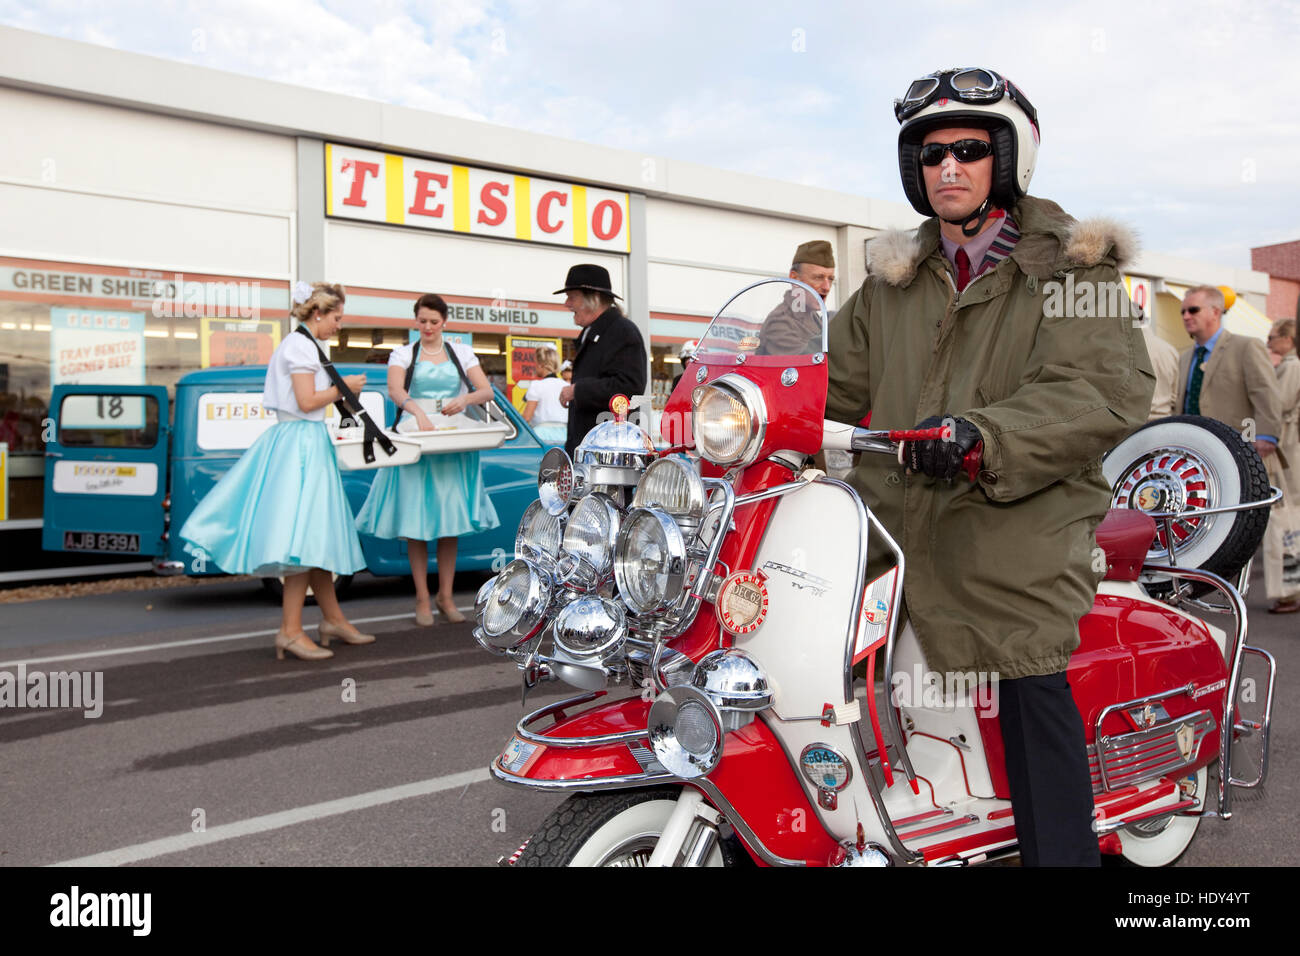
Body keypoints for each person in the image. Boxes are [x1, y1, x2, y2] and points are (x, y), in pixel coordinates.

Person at [826, 67, 1154, 866]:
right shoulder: (890, 285)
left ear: (1007, 160)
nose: (948, 166)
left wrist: (979, 434)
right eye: (931, 152)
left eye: (970, 149)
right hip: (890, 522)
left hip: (1017, 516)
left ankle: (1059, 855)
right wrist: (729, 397)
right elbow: (826, 376)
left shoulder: (1077, 273)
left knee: (1027, 672)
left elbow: (1104, 390)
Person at [179, 282, 373, 661]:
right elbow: (305, 401)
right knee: (301, 537)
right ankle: (290, 630)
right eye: (337, 317)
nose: (339, 325)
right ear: (319, 314)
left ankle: (332, 619)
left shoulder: (304, 344)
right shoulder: (301, 347)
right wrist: (343, 388)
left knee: (313, 533)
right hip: (301, 443)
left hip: (303, 441)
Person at [354, 294, 500, 626]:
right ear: (415, 321)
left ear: (444, 322)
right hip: (416, 435)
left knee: (450, 523)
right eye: (423, 321)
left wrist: (463, 399)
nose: (428, 327)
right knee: (416, 523)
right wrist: (418, 412)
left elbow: (486, 391)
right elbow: (394, 389)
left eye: (434, 322)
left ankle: (445, 596)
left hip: (452, 437)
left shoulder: (461, 352)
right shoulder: (403, 353)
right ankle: (421, 598)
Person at [1174, 286, 1282, 462]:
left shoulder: (1246, 347)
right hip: (1194, 453)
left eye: (1193, 310)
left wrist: (1266, 435)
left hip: (1238, 450)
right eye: (1183, 311)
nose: (1186, 316)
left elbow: (1266, 392)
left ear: (1215, 312)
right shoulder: (1184, 358)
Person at [554, 264, 648, 457]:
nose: (566, 304)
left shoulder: (622, 331)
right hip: (592, 452)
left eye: (572, 297)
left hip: (609, 457)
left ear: (593, 299)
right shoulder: (595, 332)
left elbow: (630, 387)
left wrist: (577, 390)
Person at [1263, 319, 1300, 612]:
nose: (1268, 343)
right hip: (1290, 450)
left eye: (1273, 337)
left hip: (1286, 451)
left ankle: (1289, 590)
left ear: (1288, 339)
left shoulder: (1290, 367)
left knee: (1285, 521)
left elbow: (1279, 404)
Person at [758, 240, 836, 355]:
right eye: (818, 278)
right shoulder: (780, 323)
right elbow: (806, 363)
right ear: (794, 279)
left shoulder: (813, 317)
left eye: (830, 279)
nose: (827, 287)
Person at [523, 344, 568, 445]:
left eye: (535, 363)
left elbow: (526, 417)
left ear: (541, 364)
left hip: (541, 435)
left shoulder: (536, 385)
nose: (534, 367)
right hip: (565, 434)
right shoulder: (566, 386)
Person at [1142, 324, 1181, 419]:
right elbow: (1176, 396)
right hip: (1165, 423)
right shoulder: (1171, 351)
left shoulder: (1120, 351)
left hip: (1135, 428)